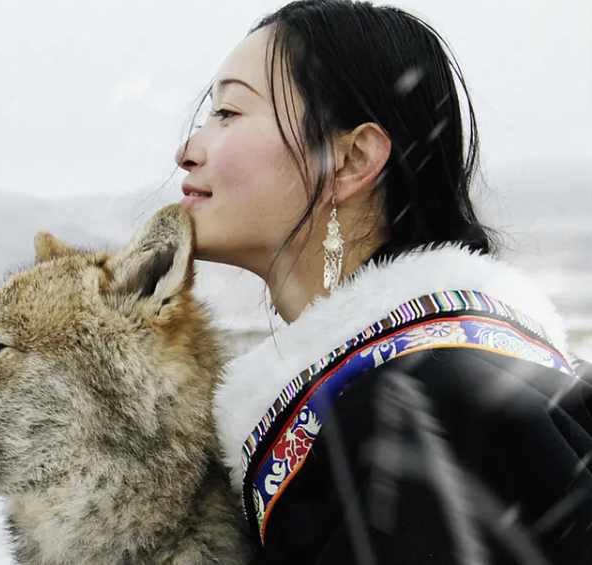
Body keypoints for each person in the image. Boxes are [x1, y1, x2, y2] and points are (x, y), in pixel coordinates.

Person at [173, 1, 592, 563]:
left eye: (228, 111)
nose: (188, 151)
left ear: (351, 160)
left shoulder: (427, 410)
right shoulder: (463, 387)